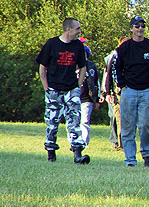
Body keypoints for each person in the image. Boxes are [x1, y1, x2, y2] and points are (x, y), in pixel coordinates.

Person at [36, 17, 90, 164]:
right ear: (68, 29)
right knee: (52, 122)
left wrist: (78, 86)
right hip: (54, 89)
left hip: (71, 89)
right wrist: (47, 88)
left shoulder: (78, 46)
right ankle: (51, 154)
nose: (79, 32)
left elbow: (83, 67)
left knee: (74, 121)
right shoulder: (52, 44)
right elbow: (42, 68)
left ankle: (78, 155)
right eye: (77, 29)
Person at [113, 16, 149, 167]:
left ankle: (146, 153)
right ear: (131, 29)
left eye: (142, 26)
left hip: (146, 92)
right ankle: (130, 159)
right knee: (127, 127)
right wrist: (121, 86)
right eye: (137, 26)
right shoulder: (124, 48)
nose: (140, 28)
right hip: (129, 91)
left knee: (146, 125)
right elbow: (115, 68)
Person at [103, 37, 130, 150]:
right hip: (117, 94)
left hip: (130, 92)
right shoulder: (114, 58)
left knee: (128, 119)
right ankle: (121, 143)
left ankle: (127, 141)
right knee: (118, 119)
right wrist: (107, 93)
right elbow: (108, 76)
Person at [76, 38, 100, 146]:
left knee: (84, 121)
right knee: (73, 121)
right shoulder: (73, 65)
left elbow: (96, 82)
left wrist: (96, 98)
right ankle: (74, 142)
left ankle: (84, 143)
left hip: (87, 99)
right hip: (74, 97)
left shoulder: (91, 66)